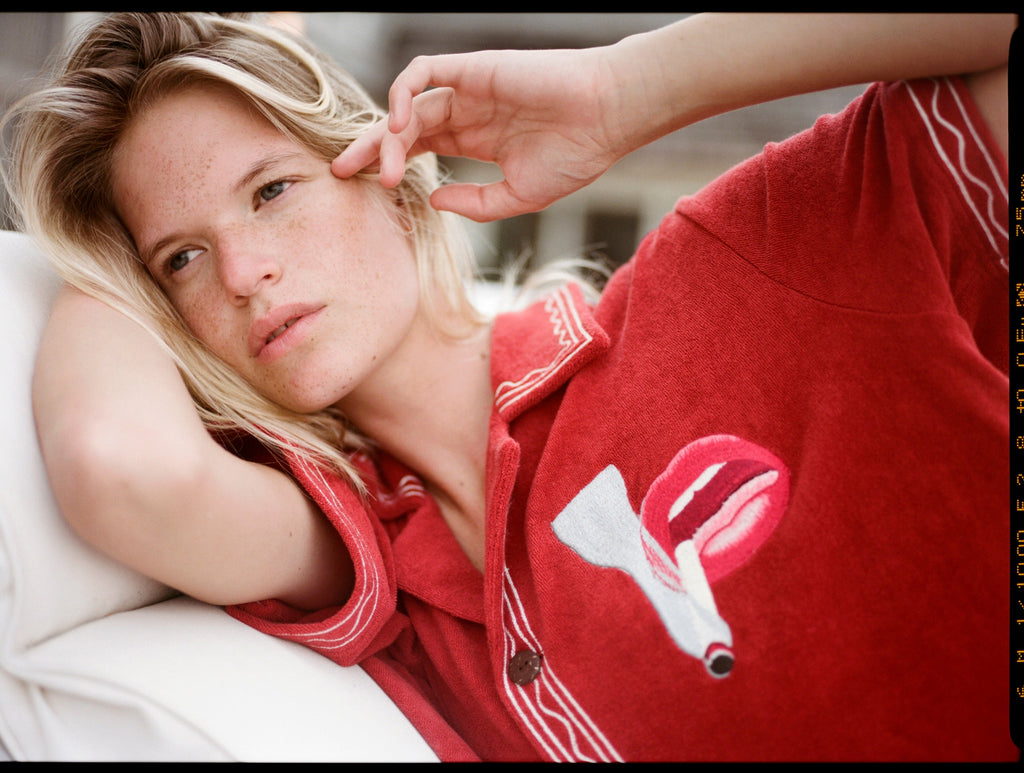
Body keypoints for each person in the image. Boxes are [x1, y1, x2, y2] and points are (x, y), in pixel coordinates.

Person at [1, 11, 1016, 762]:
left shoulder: (736, 273)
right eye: (180, 258)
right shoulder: (362, 557)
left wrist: (627, 87)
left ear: (391, 174)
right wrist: (98, 255)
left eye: (271, 191)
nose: (241, 272)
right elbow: (122, 468)